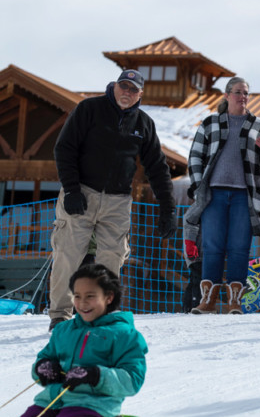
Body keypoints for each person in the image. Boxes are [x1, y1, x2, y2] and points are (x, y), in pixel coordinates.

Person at [48, 69, 177, 330]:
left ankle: (102, 315)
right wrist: (72, 189)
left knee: (112, 258)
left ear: (140, 94)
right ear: (115, 86)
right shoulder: (89, 109)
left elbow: (157, 167)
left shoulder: (143, 124)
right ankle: (60, 315)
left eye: (133, 89)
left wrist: (168, 209)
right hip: (81, 193)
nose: (126, 92)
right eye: (123, 86)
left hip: (117, 202)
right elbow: (65, 148)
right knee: (68, 254)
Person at [0, 264, 146, 417]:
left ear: (109, 297)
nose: (82, 303)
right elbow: (46, 357)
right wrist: (43, 368)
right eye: (77, 296)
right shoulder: (64, 330)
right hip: (53, 401)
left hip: (93, 405)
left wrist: (95, 375)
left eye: (90, 296)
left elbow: (132, 380)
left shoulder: (124, 335)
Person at [184, 77, 260, 314]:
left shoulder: (258, 125)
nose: (242, 97)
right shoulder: (210, 123)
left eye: (246, 93)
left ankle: (235, 302)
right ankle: (208, 301)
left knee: (239, 247)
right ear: (226, 96)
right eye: (237, 92)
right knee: (212, 245)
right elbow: (195, 157)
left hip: (245, 196)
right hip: (214, 193)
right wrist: (198, 187)